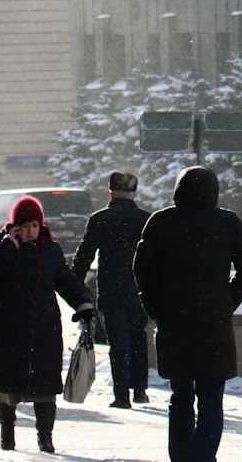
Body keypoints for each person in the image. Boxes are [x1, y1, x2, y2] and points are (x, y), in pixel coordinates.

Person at [133, 166, 242, 462]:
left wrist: (155, 306)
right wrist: (227, 300)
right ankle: (202, 456)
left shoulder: (161, 222)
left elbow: (142, 269)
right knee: (212, 398)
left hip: (174, 321)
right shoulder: (228, 223)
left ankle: (180, 456)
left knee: (180, 397)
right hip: (214, 322)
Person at [0, 194, 93, 454]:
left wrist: (83, 304)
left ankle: (45, 438)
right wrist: (9, 244)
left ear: (41, 225)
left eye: (34, 226)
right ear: (15, 225)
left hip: (43, 329)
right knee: (4, 389)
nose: (29, 231)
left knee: (45, 388)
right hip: (6, 327)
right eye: (24, 226)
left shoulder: (50, 249)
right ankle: (7, 437)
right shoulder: (1, 243)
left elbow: (65, 280)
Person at [72, 169, 150, 408]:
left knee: (118, 341)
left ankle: (121, 395)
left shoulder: (99, 219)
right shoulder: (146, 219)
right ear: (134, 194)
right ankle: (139, 390)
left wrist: (75, 286)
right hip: (140, 289)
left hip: (112, 289)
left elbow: (84, 256)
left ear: (110, 192)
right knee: (139, 337)